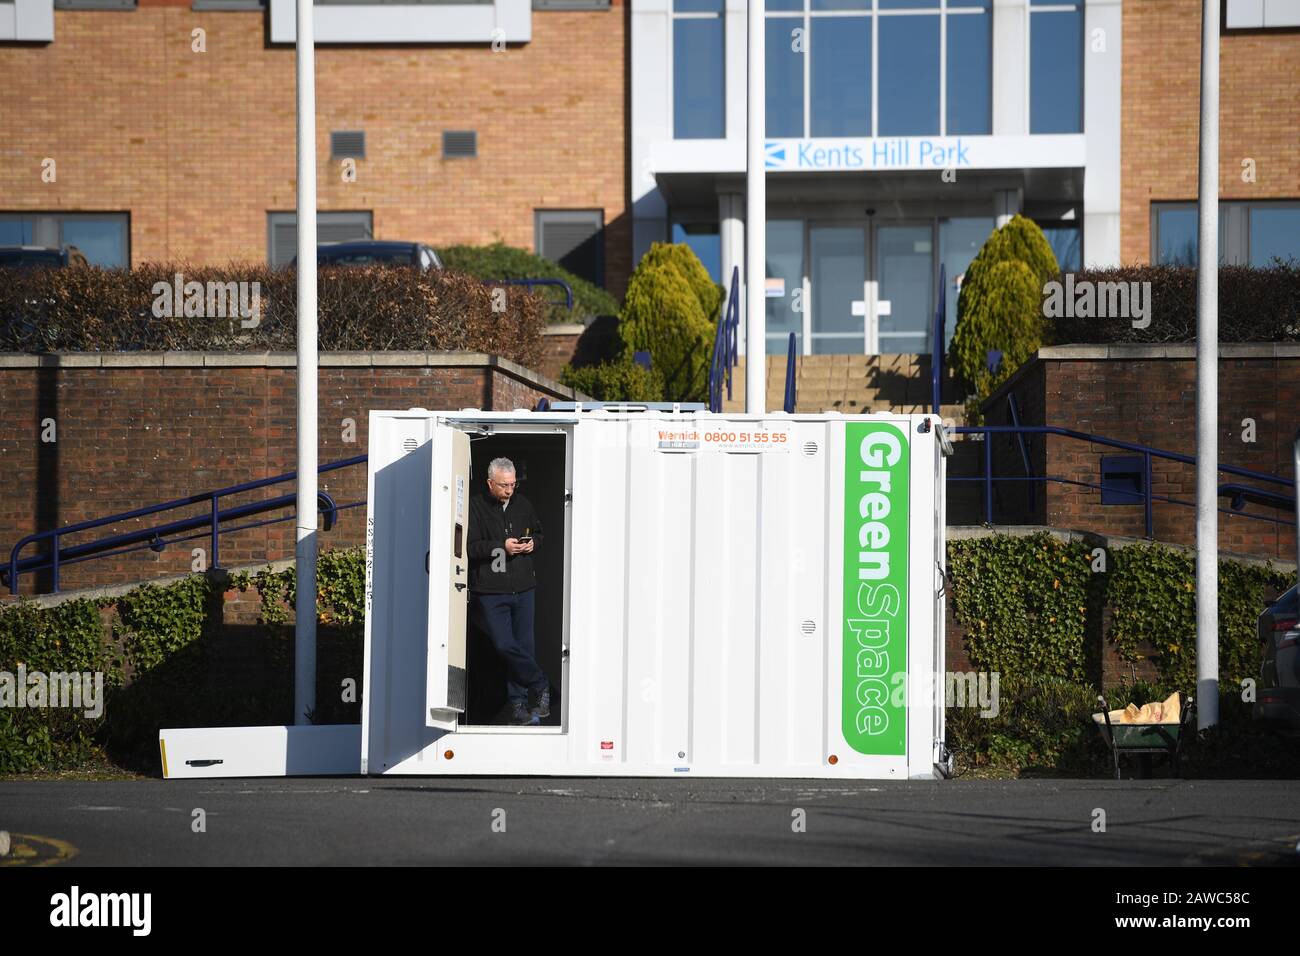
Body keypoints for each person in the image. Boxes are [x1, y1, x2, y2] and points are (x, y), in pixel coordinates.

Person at [466, 456, 552, 726]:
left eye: (513, 485)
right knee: (505, 645)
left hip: (524, 587)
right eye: (504, 485)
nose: (509, 490)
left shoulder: (523, 504)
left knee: (524, 647)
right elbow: (470, 547)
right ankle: (540, 683)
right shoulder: (475, 506)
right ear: (490, 483)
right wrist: (501, 547)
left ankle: (519, 704)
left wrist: (531, 545)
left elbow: (539, 534)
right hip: (490, 590)